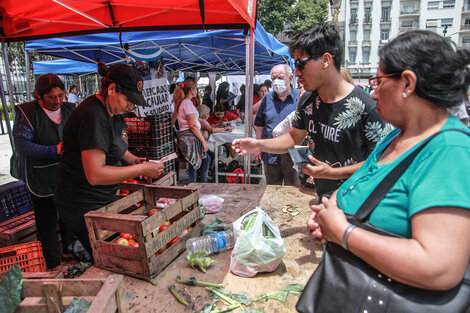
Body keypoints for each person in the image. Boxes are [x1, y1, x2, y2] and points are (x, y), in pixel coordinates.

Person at [307, 30, 470, 305]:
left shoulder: (450, 151)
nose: (373, 91)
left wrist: (344, 233)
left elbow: (439, 267)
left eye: (379, 82)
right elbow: (361, 183)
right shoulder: (396, 137)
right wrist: (328, 215)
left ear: (407, 83)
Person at [233, 24, 390, 199]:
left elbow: (383, 162)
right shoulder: (308, 101)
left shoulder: (367, 106)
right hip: (319, 197)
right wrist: (259, 144)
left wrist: (332, 173)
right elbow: (293, 138)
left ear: (326, 60)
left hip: (356, 203)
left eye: (301, 64)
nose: (297, 72)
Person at [54, 62, 164, 256]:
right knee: (110, 256)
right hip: (82, 203)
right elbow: (95, 174)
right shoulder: (92, 116)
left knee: (114, 251)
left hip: (101, 199)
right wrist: (141, 170)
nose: (131, 106)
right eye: (129, 99)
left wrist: (132, 160)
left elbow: (114, 145)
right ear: (112, 89)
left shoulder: (113, 111)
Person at [12, 74, 75, 270]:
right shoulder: (28, 113)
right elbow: (22, 145)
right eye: (51, 97)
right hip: (38, 176)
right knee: (46, 221)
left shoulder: (69, 109)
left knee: (68, 216)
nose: (57, 101)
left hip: (65, 173)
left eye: (61, 96)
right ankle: (53, 263)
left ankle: (69, 251)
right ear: (38, 95)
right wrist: (54, 150)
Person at [254, 64, 300, 186]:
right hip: (270, 152)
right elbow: (260, 125)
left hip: (292, 153)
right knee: (272, 188)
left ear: (290, 78)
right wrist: (258, 147)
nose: (276, 81)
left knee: (293, 188)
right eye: (273, 78)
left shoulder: (299, 97)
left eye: (280, 77)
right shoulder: (267, 98)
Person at [173, 77, 211, 183]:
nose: (197, 91)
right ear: (191, 90)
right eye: (196, 89)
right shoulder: (187, 104)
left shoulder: (184, 103)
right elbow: (193, 125)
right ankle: (201, 185)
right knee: (202, 161)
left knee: (194, 164)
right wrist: (203, 142)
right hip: (191, 138)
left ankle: (194, 187)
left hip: (188, 138)